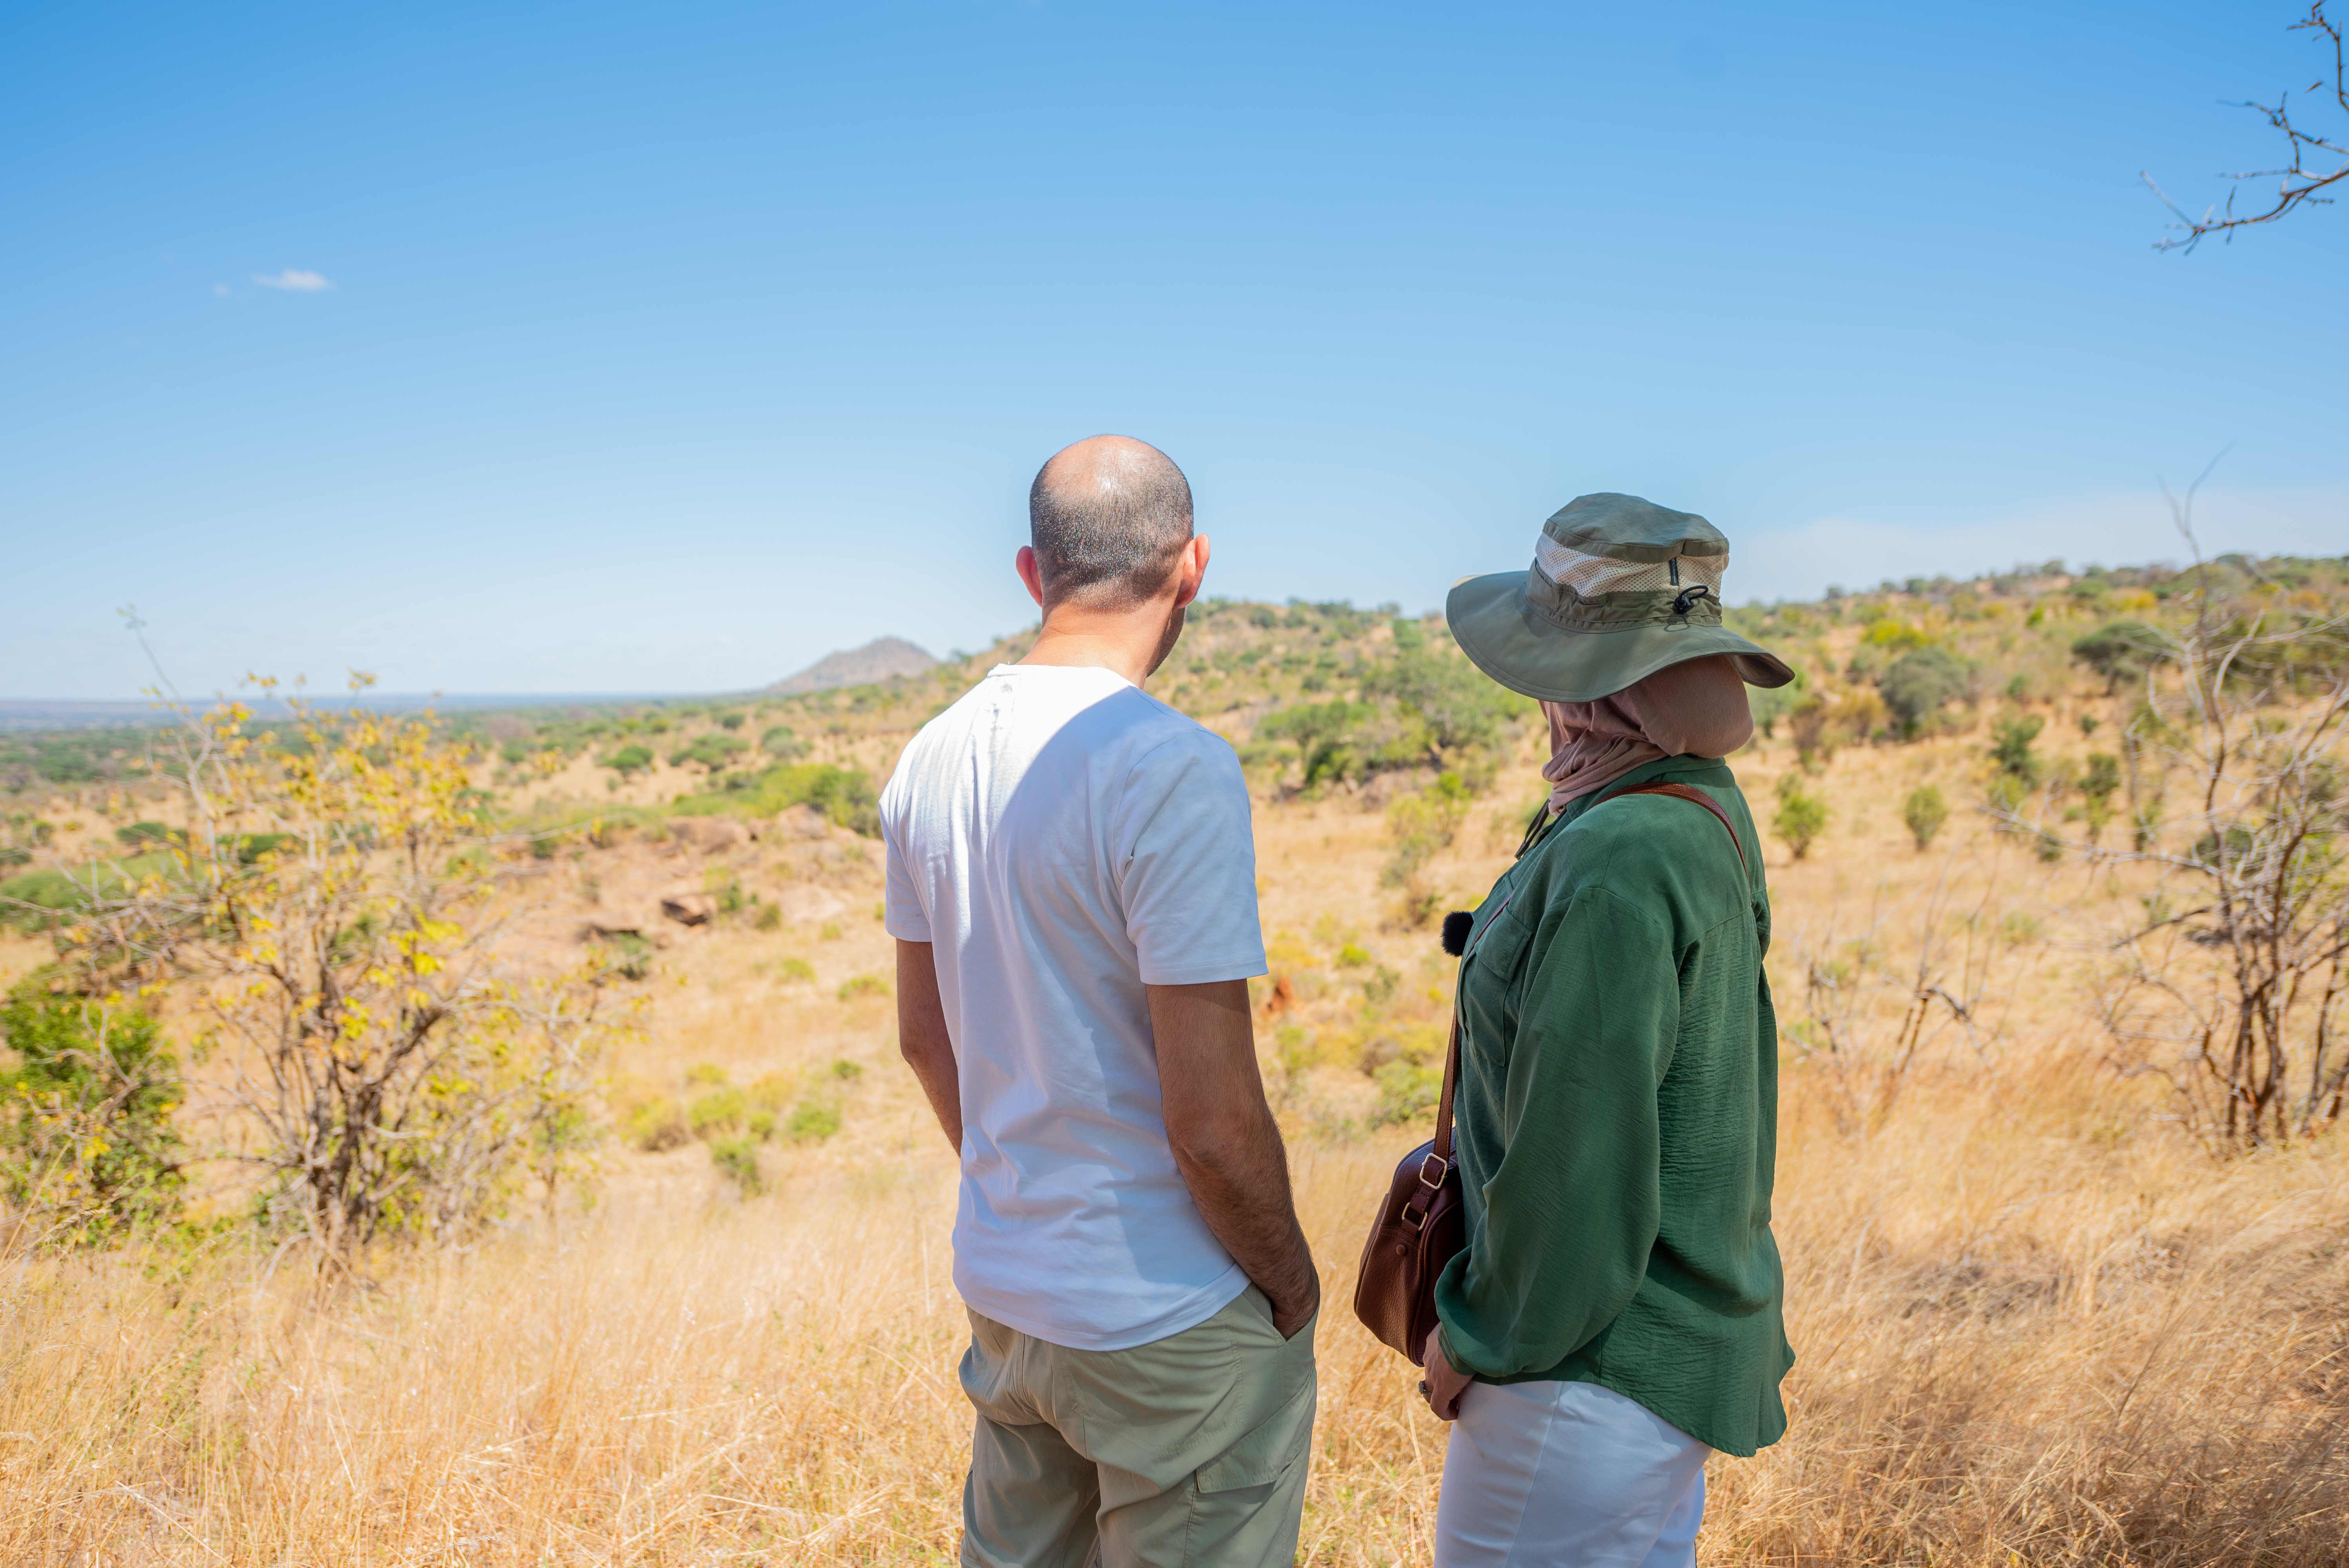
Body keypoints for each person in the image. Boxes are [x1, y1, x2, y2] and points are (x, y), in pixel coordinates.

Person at [880, 435, 1320, 1568]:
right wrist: (1289, 1284)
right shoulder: (1170, 765)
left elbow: (925, 1041)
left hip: (1008, 1291)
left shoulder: (927, 760)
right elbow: (1211, 1119)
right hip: (1164, 1312)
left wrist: (1024, 1197)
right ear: (1193, 566)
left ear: (1033, 573)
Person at [1417, 493, 1800, 1568]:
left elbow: (1578, 1146)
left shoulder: (1617, 850)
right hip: (1644, 1368)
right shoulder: (1687, 802)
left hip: (1581, 1372)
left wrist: (1483, 1336)